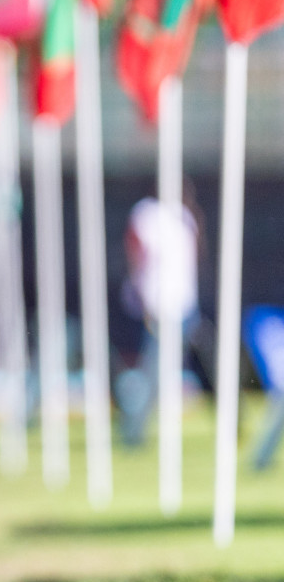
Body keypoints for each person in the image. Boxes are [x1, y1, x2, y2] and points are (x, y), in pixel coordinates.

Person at [115, 188, 212, 446]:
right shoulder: (147, 213)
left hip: (185, 306)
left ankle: (232, 416)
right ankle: (132, 430)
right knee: (153, 370)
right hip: (158, 305)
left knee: (207, 361)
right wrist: (141, 288)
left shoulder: (184, 216)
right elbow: (135, 249)